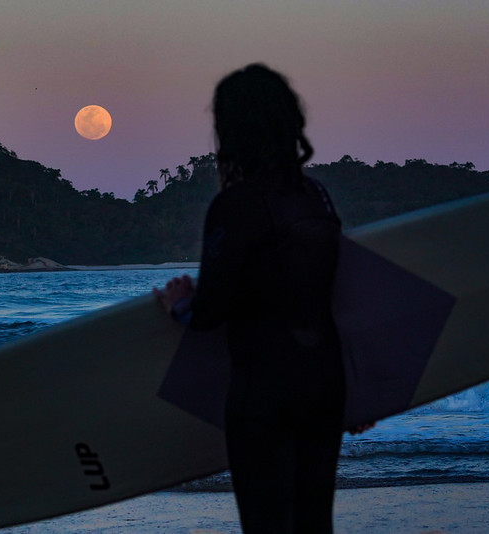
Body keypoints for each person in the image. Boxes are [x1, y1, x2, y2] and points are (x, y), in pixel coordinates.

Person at [154, 64, 365, 533]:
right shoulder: (318, 199)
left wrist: (179, 306)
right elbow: (330, 301)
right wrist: (364, 391)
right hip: (325, 387)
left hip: (264, 393)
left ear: (232, 131)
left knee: (266, 526)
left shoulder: (236, 205)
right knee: (314, 526)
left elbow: (210, 313)